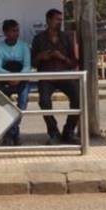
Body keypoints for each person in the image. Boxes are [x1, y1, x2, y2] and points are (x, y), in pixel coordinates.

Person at [31, 9, 81, 145]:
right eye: (57, 19)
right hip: (46, 77)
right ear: (48, 20)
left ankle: (69, 132)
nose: (60, 22)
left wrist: (62, 57)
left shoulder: (66, 38)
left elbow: (74, 63)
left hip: (64, 75)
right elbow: (33, 63)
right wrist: (41, 57)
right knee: (44, 101)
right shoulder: (39, 39)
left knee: (79, 98)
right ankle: (53, 133)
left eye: (61, 20)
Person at [0, 19, 32, 146]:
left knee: (22, 104)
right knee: (5, 106)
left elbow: (27, 66)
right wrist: (9, 76)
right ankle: (14, 134)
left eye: (17, 30)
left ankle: (10, 133)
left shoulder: (24, 46)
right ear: (5, 33)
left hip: (21, 79)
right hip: (5, 80)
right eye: (13, 31)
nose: (16, 33)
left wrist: (18, 77)